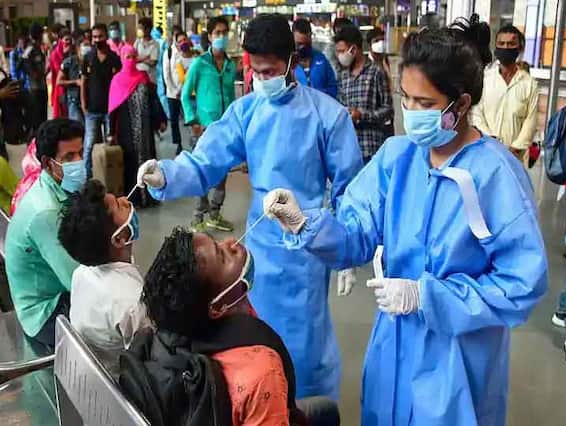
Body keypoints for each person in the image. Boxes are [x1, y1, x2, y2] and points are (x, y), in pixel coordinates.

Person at [264, 15, 547, 426]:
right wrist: (305, 225)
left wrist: (428, 297)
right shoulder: (398, 158)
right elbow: (357, 233)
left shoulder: (495, 176)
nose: (411, 112)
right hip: (393, 349)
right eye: (406, 98)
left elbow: (522, 281)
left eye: (425, 104)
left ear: (460, 105)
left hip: (457, 361)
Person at [137, 14, 362, 400]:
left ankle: (306, 407)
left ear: (291, 62)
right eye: (255, 71)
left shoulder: (328, 116)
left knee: (304, 341)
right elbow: (206, 161)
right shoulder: (247, 111)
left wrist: (346, 248)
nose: (261, 79)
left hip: (306, 245)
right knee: (254, 335)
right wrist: (167, 175)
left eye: (269, 71)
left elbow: (349, 188)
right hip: (258, 247)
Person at [120, 227, 340, 426]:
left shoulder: (169, 324)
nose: (232, 243)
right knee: (328, 410)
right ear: (217, 307)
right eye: (223, 256)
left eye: (217, 242)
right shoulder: (263, 371)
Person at [5, 119, 86, 347]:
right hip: (44, 313)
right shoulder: (45, 212)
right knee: (111, 316)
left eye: (80, 153)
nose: (79, 162)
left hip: (52, 290)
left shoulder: (56, 187)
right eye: (69, 157)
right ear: (47, 163)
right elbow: (77, 281)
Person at [58, 179, 149, 372]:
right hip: (119, 382)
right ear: (119, 239)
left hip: (91, 371)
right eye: (119, 206)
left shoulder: (81, 273)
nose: (125, 200)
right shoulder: (131, 302)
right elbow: (148, 362)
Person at [181, 16, 236, 232]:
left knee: (222, 174)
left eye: (224, 33)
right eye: (217, 33)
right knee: (202, 172)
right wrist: (193, 121)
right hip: (203, 128)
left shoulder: (231, 66)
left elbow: (231, 97)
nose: (221, 36)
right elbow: (185, 95)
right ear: (210, 36)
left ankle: (214, 214)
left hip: (224, 130)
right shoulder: (199, 64)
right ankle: (197, 217)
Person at [108, 45, 166, 208]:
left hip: (145, 130)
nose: (131, 60)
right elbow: (113, 109)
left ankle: (150, 196)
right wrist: (111, 132)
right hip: (127, 131)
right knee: (130, 162)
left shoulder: (143, 77)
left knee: (148, 162)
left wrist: (160, 119)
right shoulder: (117, 80)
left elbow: (154, 100)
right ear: (122, 58)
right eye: (128, 57)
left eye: (134, 57)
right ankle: (134, 199)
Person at [472, 25, 538, 164]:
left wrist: (515, 149)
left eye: (511, 44)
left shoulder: (529, 84)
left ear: (520, 48)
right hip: (486, 153)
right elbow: (476, 113)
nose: (506, 47)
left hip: (516, 159)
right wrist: (490, 141)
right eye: (501, 43)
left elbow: (530, 121)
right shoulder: (485, 79)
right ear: (496, 47)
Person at [335, 25, 394, 163]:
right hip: (349, 150)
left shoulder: (376, 72)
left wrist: (362, 115)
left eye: (342, 51)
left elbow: (388, 110)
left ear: (353, 49)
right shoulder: (343, 76)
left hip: (371, 149)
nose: (339, 56)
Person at [81, 23, 121, 178]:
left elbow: (119, 84)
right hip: (92, 110)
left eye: (100, 36)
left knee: (110, 145)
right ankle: (87, 177)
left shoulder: (114, 58)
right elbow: (83, 82)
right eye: (95, 37)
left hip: (110, 110)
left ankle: (109, 178)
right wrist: (83, 104)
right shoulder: (88, 57)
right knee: (89, 144)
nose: (97, 40)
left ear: (106, 37)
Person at [292, 18, 337, 98]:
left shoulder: (321, 59)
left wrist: (321, 96)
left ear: (311, 37)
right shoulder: (287, 63)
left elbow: (333, 87)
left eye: (307, 44)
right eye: (299, 44)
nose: (303, 47)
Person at [163, 28, 189, 154]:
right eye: (180, 40)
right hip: (173, 93)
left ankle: (194, 141)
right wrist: (174, 91)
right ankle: (178, 144)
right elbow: (166, 74)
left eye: (185, 40)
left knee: (190, 117)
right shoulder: (169, 52)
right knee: (174, 120)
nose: (183, 42)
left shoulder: (190, 53)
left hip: (187, 92)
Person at [22, 22, 48, 135]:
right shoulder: (30, 49)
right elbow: (22, 63)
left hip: (42, 87)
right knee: (36, 121)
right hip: (34, 89)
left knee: (43, 120)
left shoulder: (39, 49)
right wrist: (33, 74)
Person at [57, 32, 82, 122]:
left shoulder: (92, 60)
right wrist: (75, 82)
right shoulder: (69, 61)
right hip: (73, 99)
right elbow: (59, 81)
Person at [133, 18, 159, 84]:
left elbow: (153, 62)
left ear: (148, 29)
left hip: (150, 79)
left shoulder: (155, 44)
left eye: (140, 28)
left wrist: (139, 58)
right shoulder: (137, 42)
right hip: (137, 78)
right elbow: (133, 58)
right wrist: (145, 58)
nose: (139, 30)